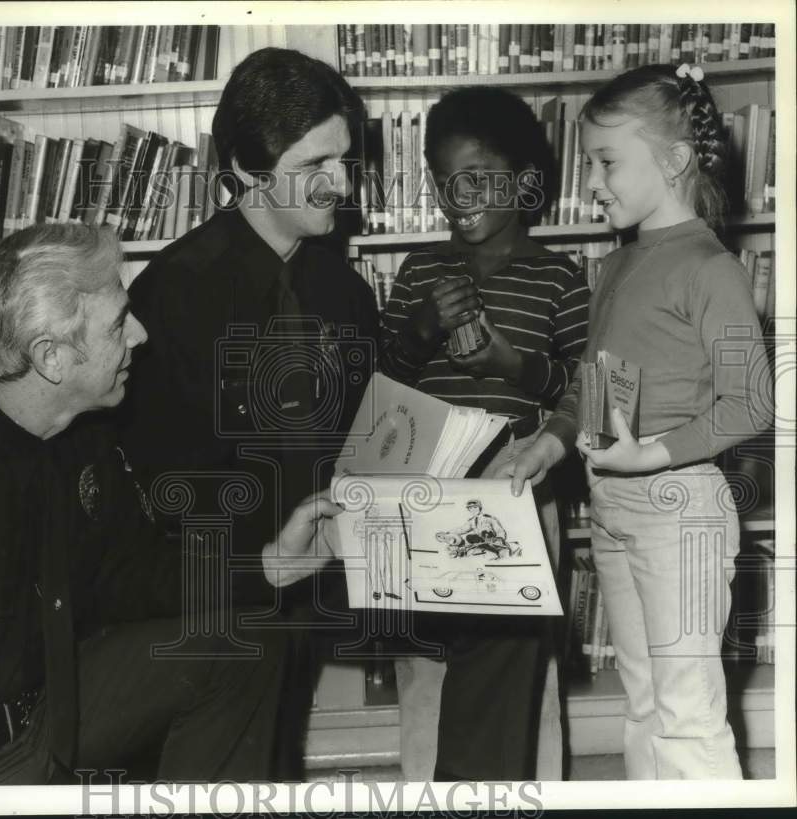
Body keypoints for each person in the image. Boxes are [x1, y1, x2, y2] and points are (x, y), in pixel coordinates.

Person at [0, 223, 343, 787]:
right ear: (52, 357)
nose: (141, 335)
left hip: (53, 710)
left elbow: (130, 573)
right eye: (119, 322)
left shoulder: (80, 432)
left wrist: (271, 564)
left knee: (246, 641)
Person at [505, 64, 773, 779]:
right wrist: (548, 443)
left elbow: (753, 401)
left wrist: (650, 454)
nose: (591, 179)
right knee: (643, 701)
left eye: (606, 161)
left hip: (679, 509)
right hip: (615, 505)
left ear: (675, 161)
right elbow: (589, 389)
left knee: (687, 713)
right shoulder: (617, 266)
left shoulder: (711, 268)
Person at [123, 48, 379, 777]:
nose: (342, 183)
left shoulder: (343, 288)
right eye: (315, 165)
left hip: (326, 574)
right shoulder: (170, 296)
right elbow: (158, 491)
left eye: (347, 159)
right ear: (244, 169)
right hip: (222, 597)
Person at [378, 87, 589, 781]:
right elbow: (386, 389)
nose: (453, 194)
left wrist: (509, 363)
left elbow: (582, 389)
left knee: (525, 676)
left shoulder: (561, 278)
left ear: (525, 183)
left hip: (518, 489)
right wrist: (421, 330)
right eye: (442, 179)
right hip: (428, 490)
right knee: (425, 670)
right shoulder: (419, 273)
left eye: (474, 177)